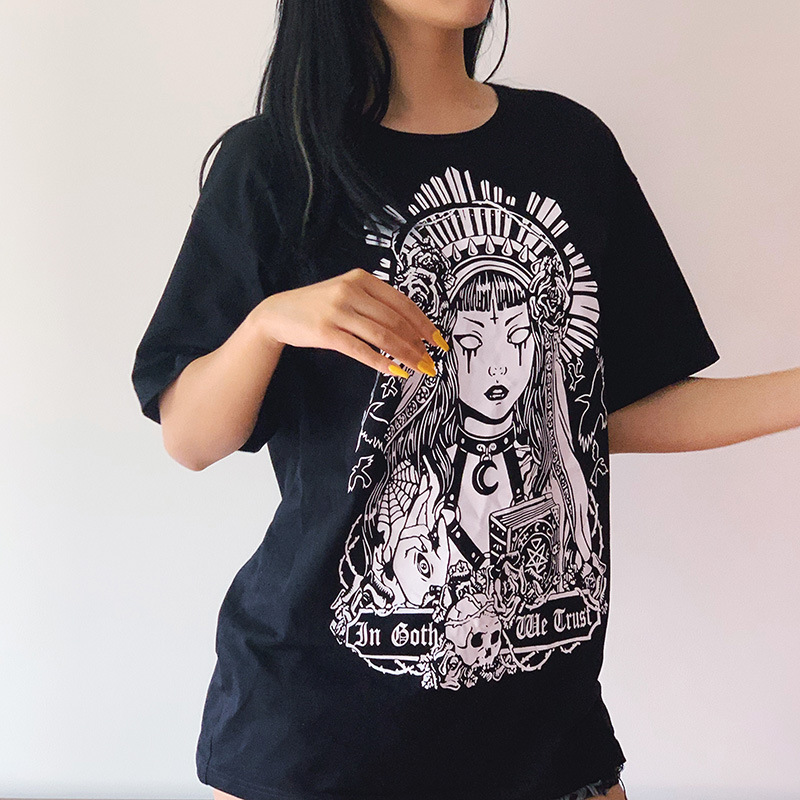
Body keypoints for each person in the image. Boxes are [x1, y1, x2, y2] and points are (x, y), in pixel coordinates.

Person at [131, 2, 800, 799]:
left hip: (548, 742)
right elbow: (190, 438)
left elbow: (605, 409)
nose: (498, 364)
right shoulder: (278, 163)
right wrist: (270, 323)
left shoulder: (569, 147)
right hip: (317, 744)